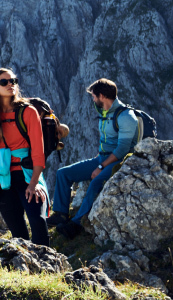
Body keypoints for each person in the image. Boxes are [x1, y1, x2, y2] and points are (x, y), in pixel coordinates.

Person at [47, 78, 139, 237]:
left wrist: (101, 167)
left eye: (94, 97)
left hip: (118, 161)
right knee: (63, 173)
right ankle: (61, 213)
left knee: (96, 182)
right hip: (102, 158)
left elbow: (123, 149)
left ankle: (76, 224)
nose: (93, 100)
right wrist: (99, 161)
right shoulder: (105, 113)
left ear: (102, 96)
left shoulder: (126, 116)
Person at [0, 68, 50, 246]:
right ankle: (26, 270)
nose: (11, 85)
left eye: (14, 81)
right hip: (3, 180)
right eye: (4, 82)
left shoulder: (28, 112)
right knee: (17, 231)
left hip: (27, 175)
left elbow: (38, 152)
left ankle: (45, 266)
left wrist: (34, 183)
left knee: (38, 221)